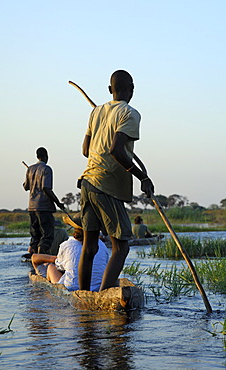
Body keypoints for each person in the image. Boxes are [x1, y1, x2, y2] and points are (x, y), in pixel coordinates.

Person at [77, 70, 155, 291]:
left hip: (87, 182)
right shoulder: (130, 113)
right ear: (131, 88)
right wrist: (143, 177)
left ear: (110, 90)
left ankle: (84, 296)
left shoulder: (96, 112)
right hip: (106, 184)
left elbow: (85, 150)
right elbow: (115, 150)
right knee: (121, 248)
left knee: (89, 247)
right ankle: (102, 296)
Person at [31, 213, 109, 292]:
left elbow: (59, 266)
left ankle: (48, 293)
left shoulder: (67, 244)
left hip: (71, 288)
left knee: (51, 267)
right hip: (97, 289)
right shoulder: (102, 246)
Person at [23, 147, 65, 255]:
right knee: (47, 236)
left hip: (32, 207)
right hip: (44, 207)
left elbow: (25, 187)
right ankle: (41, 259)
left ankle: (33, 257)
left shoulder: (30, 169)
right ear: (46, 156)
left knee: (35, 235)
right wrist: (58, 202)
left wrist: (31, 179)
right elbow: (46, 188)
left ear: (37, 156)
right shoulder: (47, 169)